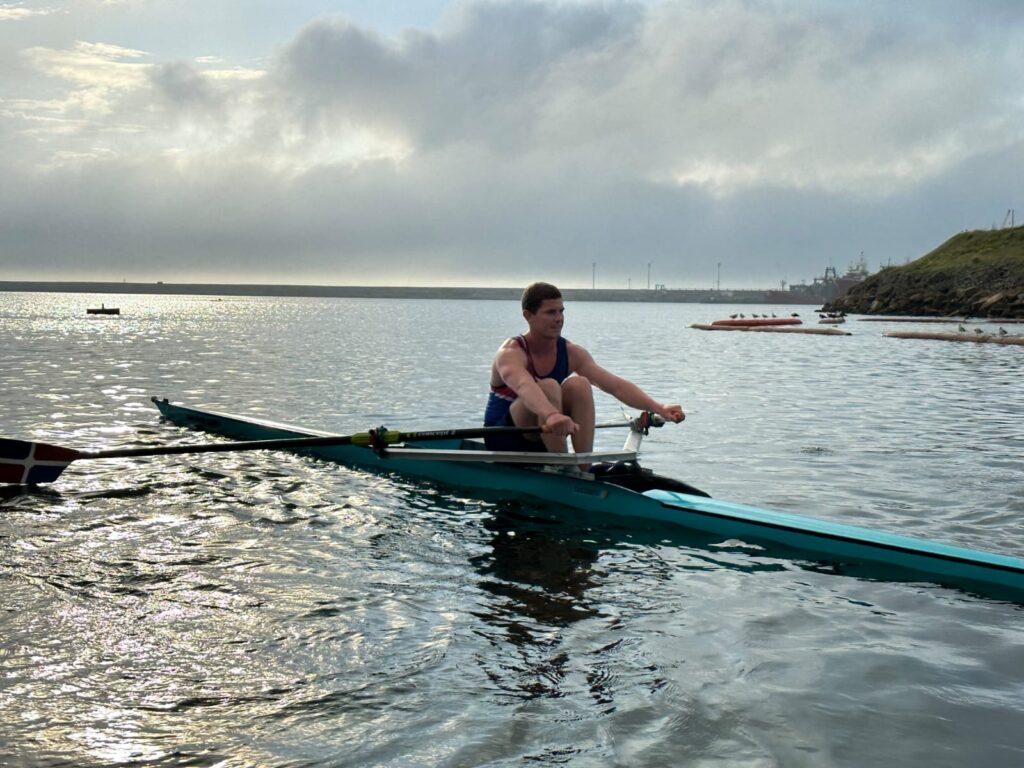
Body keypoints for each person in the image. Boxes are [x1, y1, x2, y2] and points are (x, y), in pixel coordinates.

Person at [483, 282, 685, 453]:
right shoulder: (510, 352)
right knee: (549, 386)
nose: (559, 318)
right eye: (550, 312)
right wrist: (552, 415)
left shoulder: (571, 352)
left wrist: (659, 408)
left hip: (546, 434)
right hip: (503, 439)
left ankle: (582, 468)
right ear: (528, 316)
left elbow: (615, 386)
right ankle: (562, 466)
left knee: (580, 384)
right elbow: (523, 386)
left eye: (561, 311)